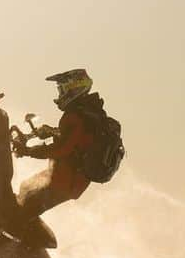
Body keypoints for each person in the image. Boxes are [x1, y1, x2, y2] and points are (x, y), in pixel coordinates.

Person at [11, 69, 124, 246]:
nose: (60, 94)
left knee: (22, 213)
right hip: (70, 181)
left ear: (74, 89)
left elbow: (62, 149)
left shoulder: (76, 116)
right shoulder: (92, 114)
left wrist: (28, 151)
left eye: (62, 89)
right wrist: (53, 132)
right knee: (25, 188)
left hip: (63, 181)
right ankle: (19, 240)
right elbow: (78, 141)